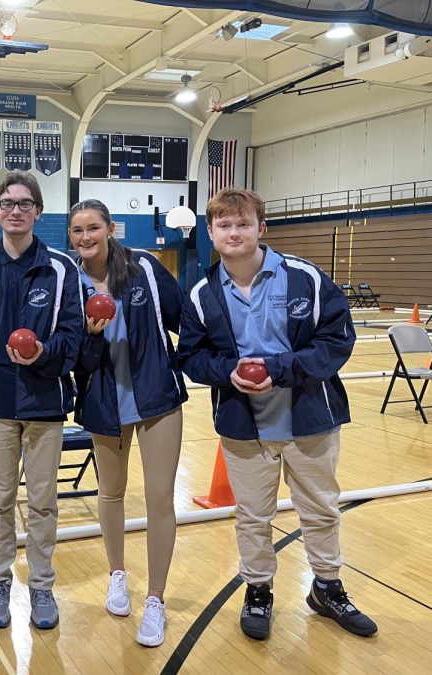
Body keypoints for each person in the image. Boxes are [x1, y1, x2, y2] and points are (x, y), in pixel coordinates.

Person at [177, 187, 378, 640]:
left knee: (322, 509)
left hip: (310, 417)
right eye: (224, 225)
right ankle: (259, 591)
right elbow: (191, 357)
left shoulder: (305, 278)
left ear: (261, 228)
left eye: (243, 223)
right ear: (210, 232)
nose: (234, 232)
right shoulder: (202, 294)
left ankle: (327, 587)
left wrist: (279, 370)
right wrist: (230, 372)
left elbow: (336, 341)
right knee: (252, 515)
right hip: (244, 426)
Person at [0, 170, 83, 630]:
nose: (15, 210)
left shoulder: (61, 269)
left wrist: (42, 355)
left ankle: (43, 586)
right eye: (7, 203)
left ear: (37, 212)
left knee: (44, 501)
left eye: (24, 203)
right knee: (0, 499)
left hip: (44, 402)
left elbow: (74, 338)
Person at [68, 199, 186, 647]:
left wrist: (174, 364)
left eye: (93, 228)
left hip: (156, 399)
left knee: (159, 497)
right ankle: (117, 575)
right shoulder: (69, 281)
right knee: (111, 492)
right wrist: (89, 337)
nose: (85, 237)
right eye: (77, 230)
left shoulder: (146, 269)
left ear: (109, 228)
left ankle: (155, 598)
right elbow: (72, 355)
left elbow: (184, 322)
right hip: (103, 401)